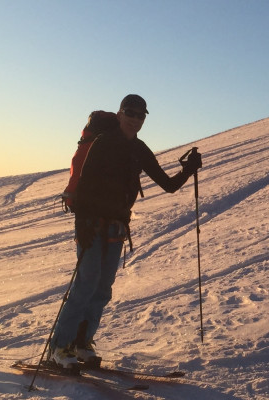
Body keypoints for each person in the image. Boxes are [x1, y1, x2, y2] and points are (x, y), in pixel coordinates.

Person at [49, 94, 202, 368]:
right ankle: (61, 347)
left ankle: (83, 343)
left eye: (140, 115)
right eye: (130, 113)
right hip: (91, 223)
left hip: (117, 225)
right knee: (86, 283)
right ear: (119, 114)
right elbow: (83, 185)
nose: (134, 119)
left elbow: (167, 184)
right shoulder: (102, 143)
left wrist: (189, 169)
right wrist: (82, 223)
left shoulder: (139, 149)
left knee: (102, 288)